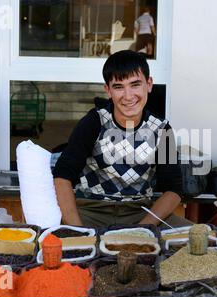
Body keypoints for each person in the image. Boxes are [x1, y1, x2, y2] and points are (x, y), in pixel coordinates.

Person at [53, 50, 190, 229]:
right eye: (119, 87)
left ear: (149, 84)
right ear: (108, 90)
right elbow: (62, 175)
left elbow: (173, 189)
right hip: (91, 210)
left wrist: (142, 230)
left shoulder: (162, 129)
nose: (128, 95)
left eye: (135, 84)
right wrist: (77, 231)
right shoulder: (95, 121)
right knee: (51, 243)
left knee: (202, 240)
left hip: (141, 212)